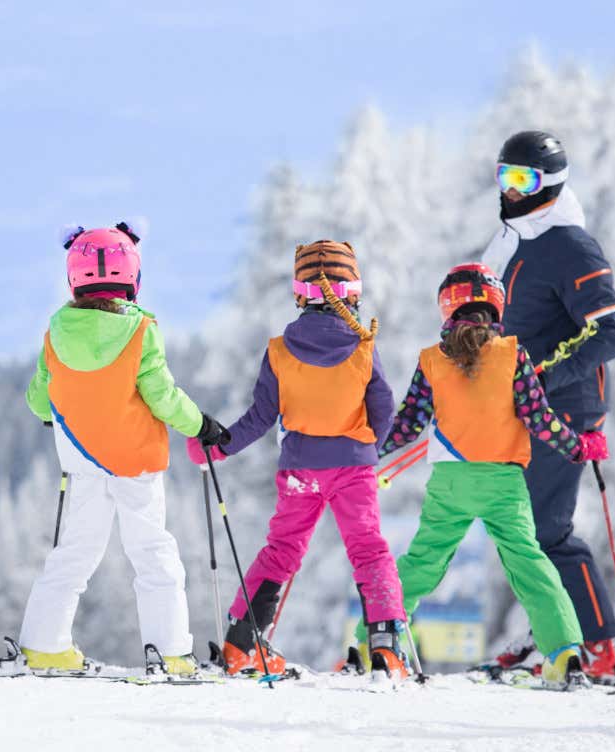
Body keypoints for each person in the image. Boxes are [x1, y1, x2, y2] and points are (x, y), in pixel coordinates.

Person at [372, 262, 609, 689]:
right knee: (531, 565)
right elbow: (539, 418)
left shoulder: (432, 360)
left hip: (451, 483)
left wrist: (365, 449)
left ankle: (379, 644)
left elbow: (407, 423)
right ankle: (565, 654)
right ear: (496, 307)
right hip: (504, 483)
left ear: (447, 308)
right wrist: (578, 446)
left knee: (424, 562)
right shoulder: (514, 357)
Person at [186, 240, 409, 678]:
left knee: (282, 550)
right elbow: (383, 412)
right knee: (368, 551)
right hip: (353, 468)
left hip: (300, 471)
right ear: (352, 292)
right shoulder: (364, 349)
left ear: (299, 292)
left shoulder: (279, 351)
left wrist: (218, 447)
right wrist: (366, 452)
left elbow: (260, 417)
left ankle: (241, 644)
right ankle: (385, 646)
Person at [20, 223, 225, 677]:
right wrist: (202, 425)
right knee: (152, 552)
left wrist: (56, 409)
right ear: (132, 276)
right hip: (135, 463)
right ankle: (170, 652)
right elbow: (162, 395)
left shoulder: (55, 332)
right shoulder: (140, 331)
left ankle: (43, 644)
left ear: (74, 277)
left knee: (74, 550)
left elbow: (39, 397)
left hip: (81, 461)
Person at [480, 131, 615, 680]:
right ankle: (550, 633)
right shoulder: (515, 241)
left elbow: (608, 332)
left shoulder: (568, 244)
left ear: (552, 184)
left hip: (562, 406)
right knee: (519, 529)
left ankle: (596, 646)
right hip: (519, 405)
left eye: (526, 180)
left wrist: (543, 377)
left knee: (547, 531)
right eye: (506, 177)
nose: (513, 191)